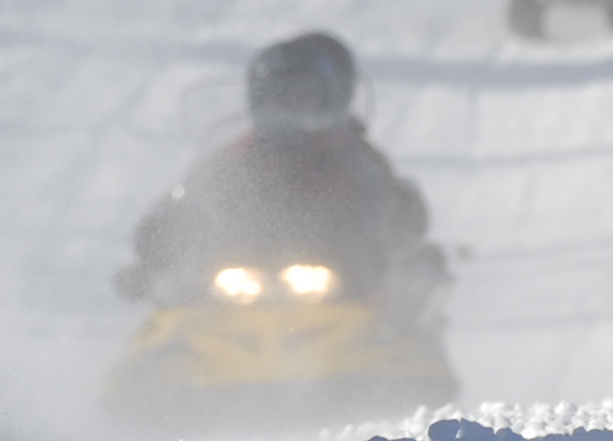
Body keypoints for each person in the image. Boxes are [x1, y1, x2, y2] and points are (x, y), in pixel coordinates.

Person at [122, 32, 434, 299]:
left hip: (341, 297)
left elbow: (398, 204)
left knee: (394, 334)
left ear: (327, 99)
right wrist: (158, 238)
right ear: (256, 100)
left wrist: (388, 235)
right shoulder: (235, 158)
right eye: (275, 96)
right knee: (161, 338)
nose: (286, 108)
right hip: (232, 297)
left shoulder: (352, 156)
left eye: (300, 97)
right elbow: (186, 199)